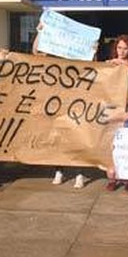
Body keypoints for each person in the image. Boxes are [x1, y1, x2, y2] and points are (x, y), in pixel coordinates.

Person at [33, 22, 87, 188]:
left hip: (75, 104)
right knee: (59, 139)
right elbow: (36, 53)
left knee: (76, 139)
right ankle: (59, 170)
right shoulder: (52, 59)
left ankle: (79, 173)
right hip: (56, 105)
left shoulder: (77, 58)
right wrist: (40, 33)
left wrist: (92, 48)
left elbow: (92, 63)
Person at [105, 35, 128, 191]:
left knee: (127, 146)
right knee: (110, 145)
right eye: (119, 48)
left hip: (127, 109)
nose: (122, 51)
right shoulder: (109, 65)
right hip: (112, 110)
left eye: (125, 48)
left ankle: (127, 178)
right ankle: (112, 177)